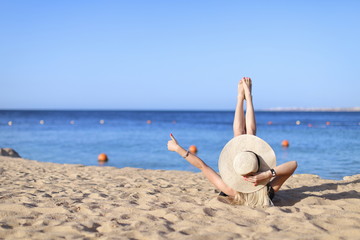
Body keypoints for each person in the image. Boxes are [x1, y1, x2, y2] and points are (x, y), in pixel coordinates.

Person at [167, 77, 297, 207]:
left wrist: (177, 148)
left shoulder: (232, 190)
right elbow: (293, 164)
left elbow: (202, 166)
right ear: (258, 169)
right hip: (257, 173)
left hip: (250, 168)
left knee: (244, 136)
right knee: (248, 135)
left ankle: (242, 98)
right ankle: (246, 98)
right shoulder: (265, 192)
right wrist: (266, 174)